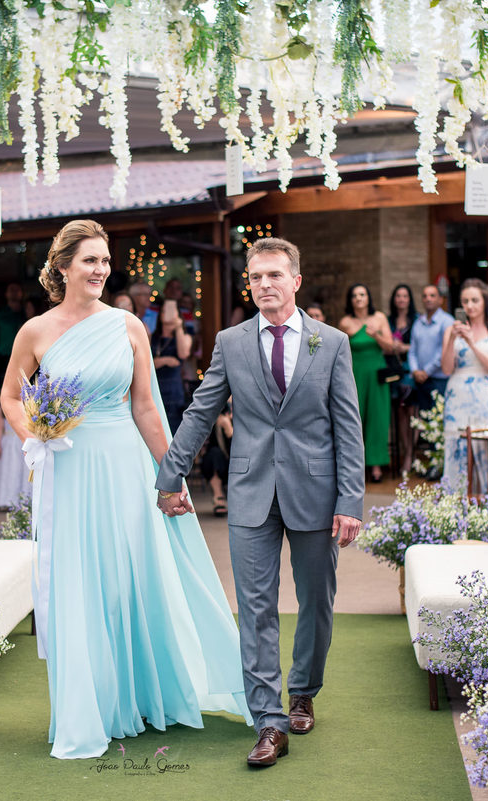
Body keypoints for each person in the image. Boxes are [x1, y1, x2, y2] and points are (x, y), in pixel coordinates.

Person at [0, 219, 250, 760]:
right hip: (69, 471)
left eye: (105, 261)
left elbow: (145, 408)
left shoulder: (128, 325)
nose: (100, 269)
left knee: (130, 578)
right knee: (82, 583)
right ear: (63, 266)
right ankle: (94, 708)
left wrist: (171, 475)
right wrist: (36, 437)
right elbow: (12, 398)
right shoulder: (35, 332)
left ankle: (140, 696)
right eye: (90, 260)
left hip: (125, 466)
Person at [157, 236, 364, 768]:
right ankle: (269, 722)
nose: (265, 284)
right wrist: (170, 475)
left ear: (296, 281)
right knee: (255, 607)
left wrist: (350, 499)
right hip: (251, 491)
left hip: (317, 491)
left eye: (274, 275)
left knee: (316, 600)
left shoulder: (331, 343)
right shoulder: (230, 342)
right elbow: (201, 411)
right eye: (255, 277)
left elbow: (348, 427)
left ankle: (304, 691)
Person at [440, 278, 488, 493]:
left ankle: (486, 503)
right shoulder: (451, 330)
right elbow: (446, 368)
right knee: (456, 451)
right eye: (465, 301)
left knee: (487, 452)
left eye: (474, 300)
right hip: (458, 394)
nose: (469, 306)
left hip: (485, 395)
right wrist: (452, 340)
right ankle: (454, 504)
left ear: (485, 301)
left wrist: (471, 342)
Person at [339, 283, 394, 482]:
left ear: (368, 297)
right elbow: (339, 349)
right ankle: (356, 465)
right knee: (355, 418)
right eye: (355, 295)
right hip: (355, 373)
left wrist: (376, 335)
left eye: (362, 294)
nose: (359, 298)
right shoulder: (345, 322)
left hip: (377, 373)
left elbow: (390, 347)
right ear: (350, 300)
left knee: (378, 417)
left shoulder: (379, 318)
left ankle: (376, 464)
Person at [408, 284, 454, 414]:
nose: (428, 299)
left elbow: (444, 350)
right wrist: (415, 371)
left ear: (440, 300)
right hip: (420, 380)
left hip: (439, 380)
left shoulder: (447, 321)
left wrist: (426, 371)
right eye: (425, 296)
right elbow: (412, 350)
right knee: (424, 419)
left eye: (432, 296)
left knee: (438, 418)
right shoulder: (418, 322)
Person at [388, 284, 417, 473]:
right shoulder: (389, 320)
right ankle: (406, 451)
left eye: (405, 296)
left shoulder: (416, 320)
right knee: (399, 414)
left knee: (411, 412)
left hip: (410, 371)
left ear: (409, 299)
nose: (401, 299)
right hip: (394, 371)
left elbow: (420, 345)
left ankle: (410, 453)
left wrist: (404, 348)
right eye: (398, 296)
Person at [152, 299, 192, 434]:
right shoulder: (153, 337)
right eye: (164, 311)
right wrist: (165, 360)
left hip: (174, 389)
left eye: (171, 311)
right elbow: (147, 363)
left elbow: (183, 353)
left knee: (175, 429)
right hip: (156, 386)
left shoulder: (185, 336)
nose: (167, 314)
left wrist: (179, 327)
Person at [201, 403, 233, 517]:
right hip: (217, 465)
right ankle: (218, 495)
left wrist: (230, 432)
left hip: (238, 464)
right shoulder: (213, 424)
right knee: (214, 453)